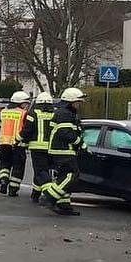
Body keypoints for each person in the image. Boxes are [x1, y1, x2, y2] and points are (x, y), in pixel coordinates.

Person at [41, 87, 85, 217]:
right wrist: (81, 143)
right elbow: (66, 133)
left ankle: (63, 205)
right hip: (63, 151)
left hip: (61, 150)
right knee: (72, 175)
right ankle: (49, 196)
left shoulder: (65, 113)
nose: (79, 105)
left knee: (62, 177)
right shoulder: (65, 114)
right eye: (77, 102)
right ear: (70, 102)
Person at [0, 91, 30, 197]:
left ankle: (3, 180)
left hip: (4, 143)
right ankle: (13, 189)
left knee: (5, 164)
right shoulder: (23, 113)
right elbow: (27, 129)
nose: (27, 105)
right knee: (18, 167)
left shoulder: (3, 112)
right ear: (20, 103)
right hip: (18, 145)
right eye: (26, 103)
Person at [19, 91, 55, 203]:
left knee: (40, 171)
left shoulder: (33, 114)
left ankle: (49, 193)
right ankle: (35, 194)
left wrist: (18, 139)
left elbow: (27, 130)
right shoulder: (55, 114)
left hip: (37, 148)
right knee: (44, 171)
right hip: (51, 148)